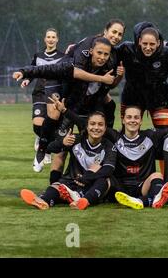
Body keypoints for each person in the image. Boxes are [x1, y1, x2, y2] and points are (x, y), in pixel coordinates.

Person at [13, 37, 123, 181]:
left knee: (80, 144)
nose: (102, 57)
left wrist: (118, 76)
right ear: (91, 51)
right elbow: (47, 69)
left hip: (80, 107)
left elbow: (108, 89)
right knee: (59, 137)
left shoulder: (109, 68)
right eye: (99, 53)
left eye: (105, 54)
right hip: (63, 97)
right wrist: (25, 72)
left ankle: (83, 182)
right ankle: (42, 149)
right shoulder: (72, 64)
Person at [51, 98, 168, 210]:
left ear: (141, 121)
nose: (132, 120)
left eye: (136, 118)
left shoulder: (150, 136)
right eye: (129, 117)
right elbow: (87, 123)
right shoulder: (114, 136)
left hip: (142, 187)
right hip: (118, 188)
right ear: (123, 120)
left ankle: (146, 200)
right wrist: (64, 110)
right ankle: (84, 200)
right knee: (102, 173)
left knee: (157, 175)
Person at [20, 111, 116, 210]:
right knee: (56, 187)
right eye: (92, 124)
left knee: (105, 181)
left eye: (100, 125)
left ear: (105, 128)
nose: (96, 128)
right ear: (87, 127)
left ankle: (84, 201)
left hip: (91, 186)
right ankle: (43, 201)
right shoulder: (75, 139)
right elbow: (49, 148)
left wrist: (88, 177)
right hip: (71, 182)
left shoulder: (109, 146)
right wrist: (62, 143)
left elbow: (108, 169)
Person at [19, 28, 65, 171]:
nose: (51, 39)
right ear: (45, 39)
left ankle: (45, 150)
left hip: (54, 94)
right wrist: (27, 79)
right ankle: (41, 138)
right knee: (37, 124)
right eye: (48, 37)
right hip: (39, 91)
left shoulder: (63, 56)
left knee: (51, 123)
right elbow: (32, 70)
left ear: (57, 39)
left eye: (53, 37)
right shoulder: (38, 55)